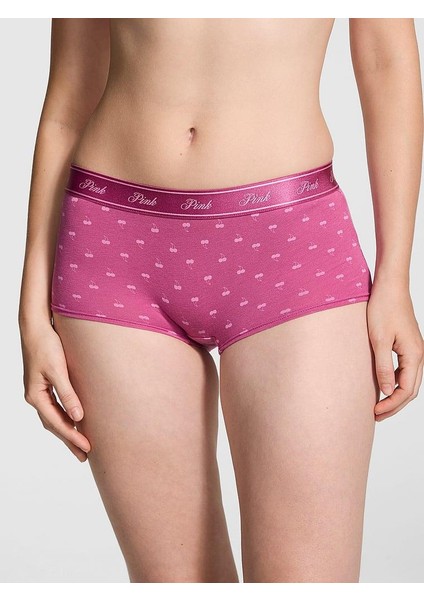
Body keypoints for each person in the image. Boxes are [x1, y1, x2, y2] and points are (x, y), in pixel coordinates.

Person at [18, 18, 424, 583]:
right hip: (114, 250)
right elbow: (69, 96)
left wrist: (396, 277)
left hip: (291, 246)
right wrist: (31, 313)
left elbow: (387, 62)